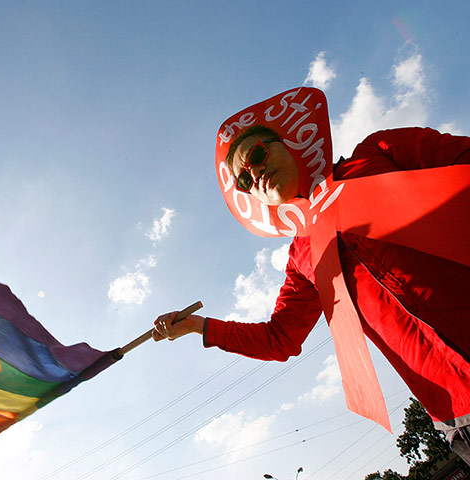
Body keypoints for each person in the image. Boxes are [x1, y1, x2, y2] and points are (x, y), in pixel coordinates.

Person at [152, 86, 470, 463]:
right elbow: (279, 338)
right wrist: (195, 326)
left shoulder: (378, 153)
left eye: (256, 155)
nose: (254, 174)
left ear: (291, 144)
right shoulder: (303, 258)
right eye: (244, 181)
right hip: (457, 409)